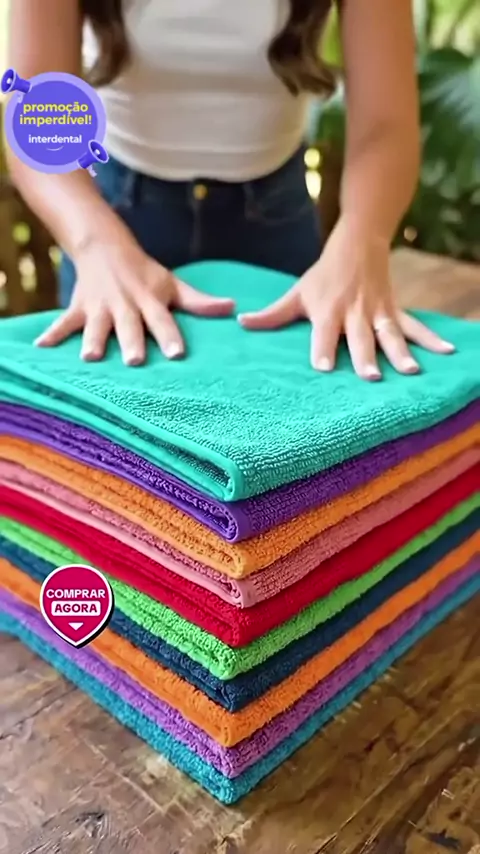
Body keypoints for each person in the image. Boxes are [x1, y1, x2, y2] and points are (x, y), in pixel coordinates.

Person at [7, 0, 455, 379]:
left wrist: (363, 238)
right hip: (111, 220)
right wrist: (95, 245)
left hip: (275, 218)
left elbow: (384, 126)